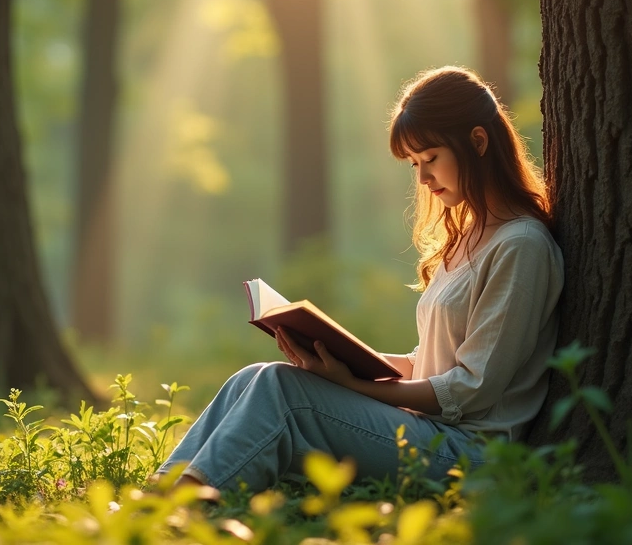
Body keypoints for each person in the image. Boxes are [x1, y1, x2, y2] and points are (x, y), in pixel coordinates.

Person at [156, 66, 564, 495]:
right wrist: (340, 358)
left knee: (283, 391)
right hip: (428, 430)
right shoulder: (467, 238)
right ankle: (158, 497)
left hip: (470, 453)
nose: (423, 178)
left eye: (431, 159)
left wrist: (352, 385)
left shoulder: (521, 245)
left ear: (478, 142)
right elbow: (429, 361)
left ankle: (189, 510)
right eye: (414, 164)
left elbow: (470, 388)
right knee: (254, 376)